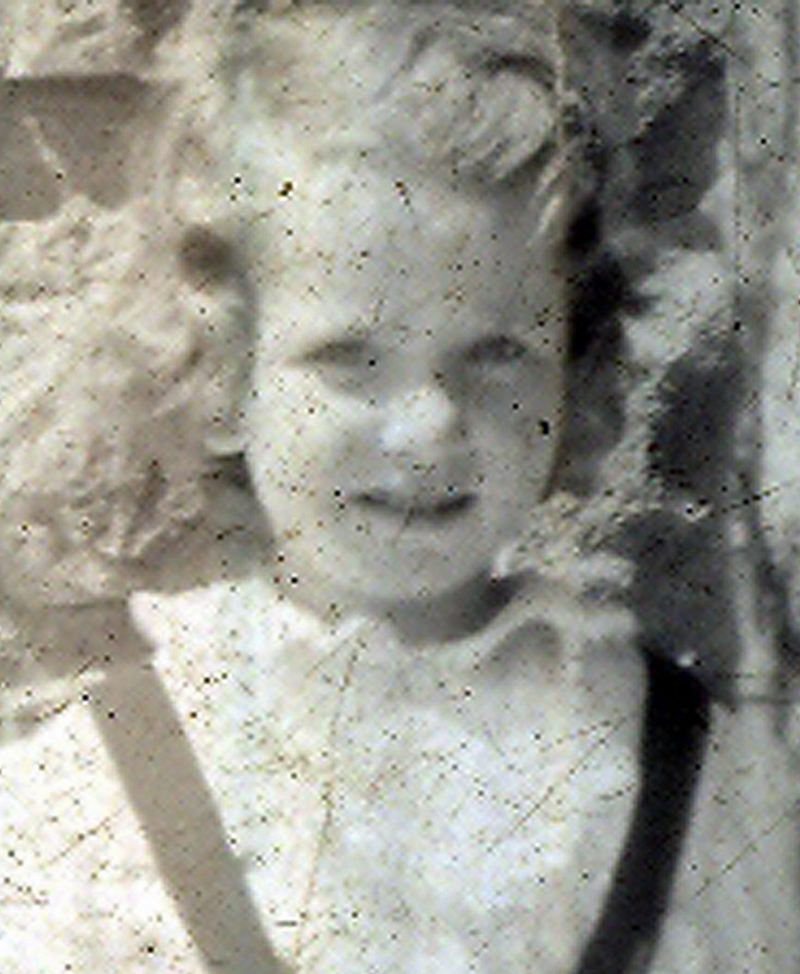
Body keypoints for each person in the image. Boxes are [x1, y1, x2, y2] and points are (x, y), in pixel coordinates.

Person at [0, 2, 796, 972]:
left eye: (493, 354)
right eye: (349, 356)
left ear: (571, 361)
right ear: (227, 366)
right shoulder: (99, 798)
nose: (426, 427)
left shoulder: (678, 774)